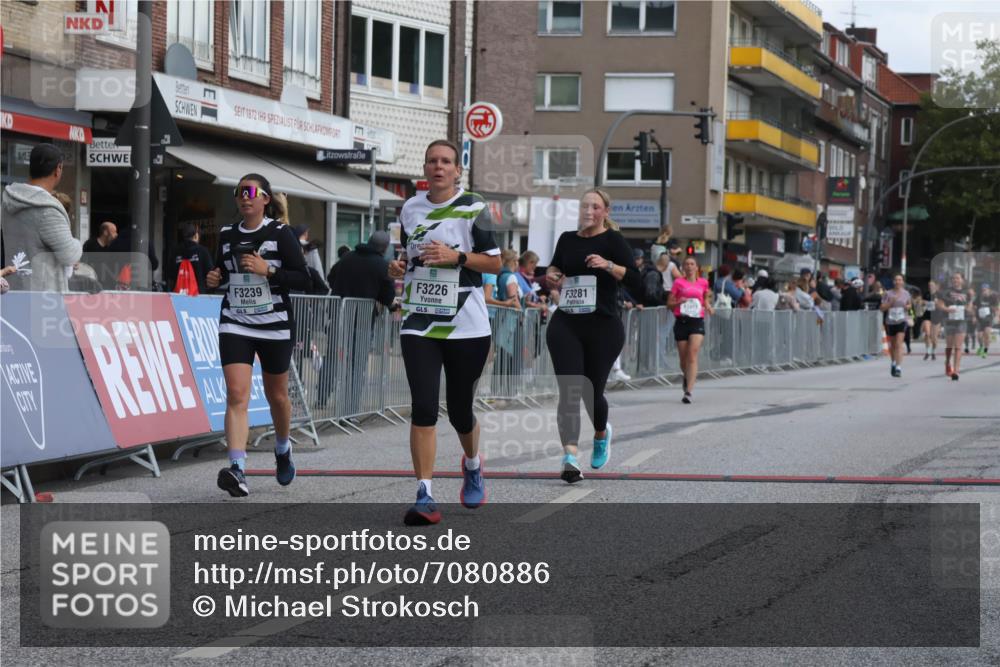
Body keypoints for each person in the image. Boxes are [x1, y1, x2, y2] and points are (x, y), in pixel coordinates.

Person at [387, 139, 501, 525]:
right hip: (420, 319)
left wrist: (458, 257)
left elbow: (496, 264)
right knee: (422, 404)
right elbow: (407, 254)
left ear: (457, 170)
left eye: (446, 161)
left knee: (460, 410)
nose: (438, 167)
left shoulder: (476, 207)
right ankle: (425, 494)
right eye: (432, 160)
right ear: (425, 167)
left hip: (466, 322)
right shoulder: (410, 208)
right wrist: (399, 268)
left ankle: (472, 463)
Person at [205, 173, 311, 497]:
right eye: (239, 192)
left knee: (276, 395)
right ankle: (237, 468)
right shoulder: (225, 235)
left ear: (265, 198)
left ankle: (282, 447)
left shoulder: (281, 234)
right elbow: (223, 273)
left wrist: (271, 271)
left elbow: (306, 280)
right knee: (237, 394)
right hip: (235, 321)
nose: (244, 197)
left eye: (251, 191)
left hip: (275, 324)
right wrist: (213, 278)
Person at [544, 188, 639, 483]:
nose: (589, 211)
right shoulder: (567, 239)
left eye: (595, 207)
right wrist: (552, 275)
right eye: (585, 206)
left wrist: (608, 265)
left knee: (591, 392)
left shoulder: (613, 240)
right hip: (567, 323)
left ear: (605, 213)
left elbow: (637, 282)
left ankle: (601, 432)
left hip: (603, 325)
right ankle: (570, 456)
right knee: (570, 390)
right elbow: (555, 267)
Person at [1, 144, 82, 292]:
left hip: (12, 292)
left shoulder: (7, 202)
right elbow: (70, 254)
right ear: (58, 169)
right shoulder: (47, 210)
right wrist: (77, 243)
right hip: (44, 300)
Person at [668, 255, 714, 403]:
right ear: (683, 267)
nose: (689, 266)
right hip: (681, 320)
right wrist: (677, 302)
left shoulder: (703, 282)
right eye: (686, 264)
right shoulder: (678, 282)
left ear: (696, 267)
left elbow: (705, 298)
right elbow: (669, 304)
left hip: (697, 321)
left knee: (692, 354)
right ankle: (687, 376)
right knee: (683, 359)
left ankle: (688, 391)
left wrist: (708, 306)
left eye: (692, 264)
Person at [936, 272, 971, 381]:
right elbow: (939, 304)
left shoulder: (967, 293)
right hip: (949, 321)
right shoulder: (946, 292)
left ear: (962, 280)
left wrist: (967, 309)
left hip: (962, 321)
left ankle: (956, 371)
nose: (955, 280)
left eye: (958, 278)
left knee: (958, 347)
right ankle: (947, 362)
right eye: (954, 278)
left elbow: (969, 306)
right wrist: (947, 309)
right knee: (950, 346)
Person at [166, 222, 214, 294]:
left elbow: (170, 274)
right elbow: (211, 274)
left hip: (178, 295)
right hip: (199, 295)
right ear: (196, 235)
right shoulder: (202, 251)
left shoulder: (175, 251)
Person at [880, 274, 912, 378]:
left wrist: (907, 307)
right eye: (896, 280)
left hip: (902, 320)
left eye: (900, 280)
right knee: (893, 345)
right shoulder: (887, 293)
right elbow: (882, 308)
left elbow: (909, 305)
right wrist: (891, 303)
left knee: (899, 344)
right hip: (890, 321)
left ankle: (898, 367)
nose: (898, 282)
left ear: (902, 282)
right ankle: (893, 362)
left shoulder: (906, 293)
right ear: (893, 281)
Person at [975, 283, 998, 358]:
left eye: (985, 290)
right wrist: (974, 316)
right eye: (983, 290)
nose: (984, 291)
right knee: (979, 336)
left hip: (989, 318)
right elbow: (974, 305)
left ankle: (985, 351)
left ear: (989, 290)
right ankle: (981, 347)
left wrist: (996, 314)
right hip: (980, 318)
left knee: (987, 334)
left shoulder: (993, 297)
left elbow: (996, 307)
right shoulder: (979, 297)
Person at [922, 279, 942, 361]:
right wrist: (923, 302)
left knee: (934, 338)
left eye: (932, 285)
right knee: (927, 333)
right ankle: (927, 351)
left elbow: (942, 305)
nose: (930, 287)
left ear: (935, 286)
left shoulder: (939, 295)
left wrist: (938, 304)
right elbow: (922, 302)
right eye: (929, 285)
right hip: (927, 316)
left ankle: (933, 352)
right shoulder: (926, 294)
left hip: (936, 317)